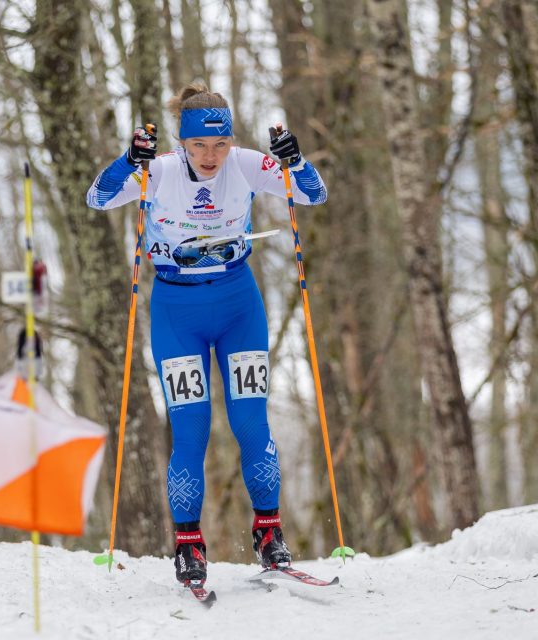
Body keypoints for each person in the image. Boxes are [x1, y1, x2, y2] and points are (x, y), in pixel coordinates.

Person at [87, 82, 327, 586]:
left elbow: (313, 194)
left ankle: (269, 532)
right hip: (177, 311)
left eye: (219, 144)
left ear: (231, 140)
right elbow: (98, 198)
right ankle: (189, 544)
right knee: (190, 431)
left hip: (239, 305)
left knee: (250, 422)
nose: (211, 156)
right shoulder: (161, 171)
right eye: (199, 145)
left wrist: (295, 161)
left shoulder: (246, 164)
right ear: (182, 143)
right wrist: (129, 161)